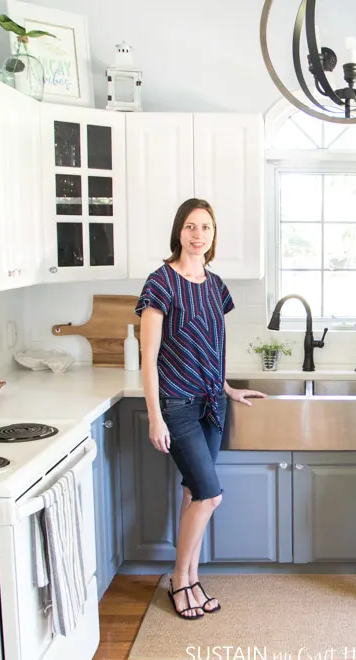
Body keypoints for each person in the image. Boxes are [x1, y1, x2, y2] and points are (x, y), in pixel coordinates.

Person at [136, 198, 265, 620]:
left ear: (213, 235)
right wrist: (155, 415)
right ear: (179, 232)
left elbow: (212, 346)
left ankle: (190, 575)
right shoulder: (160, 283)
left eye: (206, 227)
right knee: (210, 495)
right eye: (191, 226)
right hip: (177, 406)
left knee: (195, 491)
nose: (198, 235)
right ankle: (179, 579)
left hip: (211, 404)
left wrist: (228, 388)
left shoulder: (214, 285)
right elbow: (149, 356)